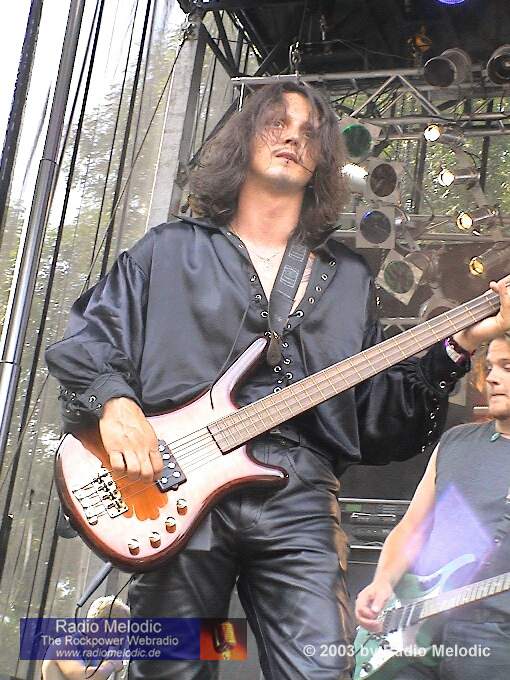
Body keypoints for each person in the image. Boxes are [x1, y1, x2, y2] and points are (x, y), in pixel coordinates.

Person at [45, 81, 510, 680]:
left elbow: (379, 420)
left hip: (299, 494)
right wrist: (116, 404)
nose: (293, 136)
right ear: (243, 139)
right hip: (174, 484)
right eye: (276, 122)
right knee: (172, 668)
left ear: (323, 160)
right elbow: (88, 340)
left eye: (310, 131)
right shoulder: (170, 249)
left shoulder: (347, 278)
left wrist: (460, 343)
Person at [355, 331, 510, 680]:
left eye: (508, 367)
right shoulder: (456, 441)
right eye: (490, 367)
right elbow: (414, 526)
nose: (492, 377)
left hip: (495, 636)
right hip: (417, 623)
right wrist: (383, 582)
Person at [41, 596, 129, 680]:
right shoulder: (63, 645)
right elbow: (88, 677)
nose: (119, 640)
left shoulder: (92, 656)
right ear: (102, 625)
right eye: (119, 632)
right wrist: (112, 663)